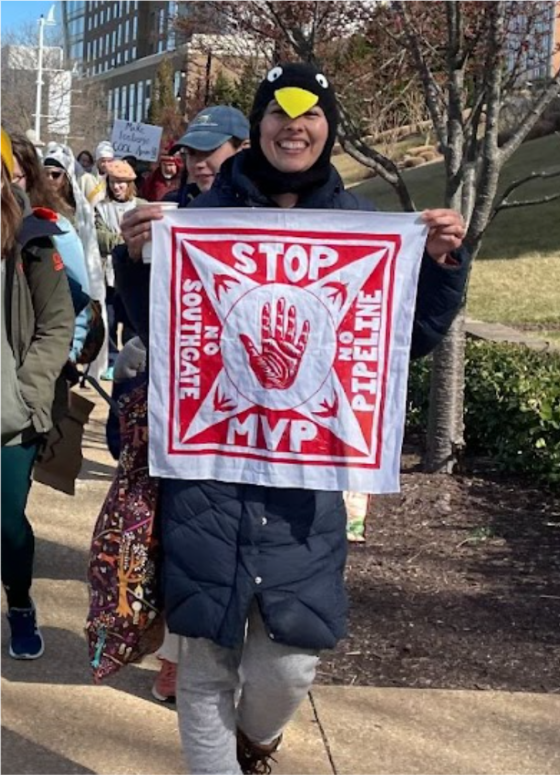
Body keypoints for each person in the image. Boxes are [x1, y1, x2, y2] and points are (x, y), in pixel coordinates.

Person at [115, 63, 469, 774]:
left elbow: (409, 341)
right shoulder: (200, 219)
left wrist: (439, 266)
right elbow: (152, 326)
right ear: (259, 125)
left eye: (309, 114)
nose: (293, 126)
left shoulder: (366, 227)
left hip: (305, 492)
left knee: (288, 669)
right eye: (277, 112)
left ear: (329, 126)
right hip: (207, 488)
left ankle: (260, 740)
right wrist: (134, 261)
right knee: (207, 665)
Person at [110, 105, 251, 704]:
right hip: (188, 407)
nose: (198, 162)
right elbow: (148, 321)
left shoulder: (293, 215)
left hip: (262, 408)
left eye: (212, 150)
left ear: (244, 148)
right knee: (183, 539)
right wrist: (133, 258)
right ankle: (176, 653)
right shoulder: (176, 217)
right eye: (191, 152)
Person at [1, 128, 75, 660]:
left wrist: (28, 396)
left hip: (11, 418)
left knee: (7, 524)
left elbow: (56, 324)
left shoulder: (31, 241)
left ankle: (20, 602)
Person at [11, 134, 92, 364]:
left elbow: (78, 301)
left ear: (30, 178)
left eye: (13, 178)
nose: (5, 187)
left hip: (41, 369)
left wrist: (67, 357)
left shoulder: (55, 229)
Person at [43, 143, 107, 381]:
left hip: (70, 284)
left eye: (56, 174)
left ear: (66, 176)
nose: (50, 179)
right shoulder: (34, 208)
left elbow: (85, 257)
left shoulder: (77, 211)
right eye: (45, 174)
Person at [95, 160, 145, 379]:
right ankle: (113, 360)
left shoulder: (142, 206)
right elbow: (100, 237)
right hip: (108, 274)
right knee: (111, 319)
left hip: (135, 273)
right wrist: (123, 240)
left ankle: (134, 361)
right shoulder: (101, 208)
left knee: (132, 321)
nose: (117, 187)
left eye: (122, 183)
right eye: (114, 183)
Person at [80, 140, 115, 208]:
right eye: (103, 161)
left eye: (109, 161)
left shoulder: (115, 179)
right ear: (97, 161)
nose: (106, 164)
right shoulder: (85, 177)